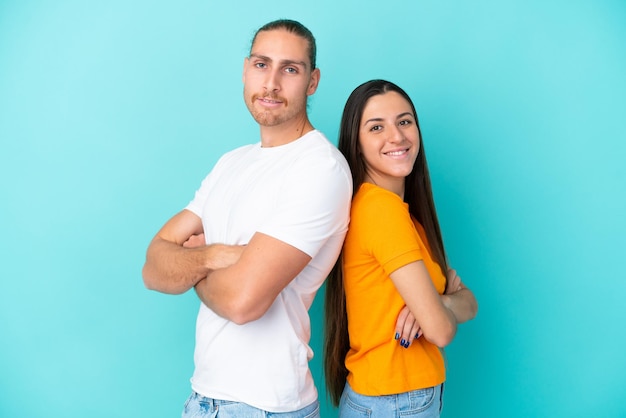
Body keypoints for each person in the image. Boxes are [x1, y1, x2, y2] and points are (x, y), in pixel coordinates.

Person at [142, 19, 352, 417]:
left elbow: (243, 303)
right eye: (261, 65)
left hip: (266, 405)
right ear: (245, 70)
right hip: (204, 397)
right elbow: (153, 268)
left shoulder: (318, 168)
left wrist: (189, 268)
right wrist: (216, 256)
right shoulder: (231, 163)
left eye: (290, 69)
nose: (271, 82)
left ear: (313, 81)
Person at [324, 79, 478, 417]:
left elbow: (469, 303)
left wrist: (439, 303)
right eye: (376, 127)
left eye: (404, 121)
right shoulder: (381, 210)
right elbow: (440, 330)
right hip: (395, 400)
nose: (397, 136)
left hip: (388, 399)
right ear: (357, 142)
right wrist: (438, 311)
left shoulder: (403, 216)